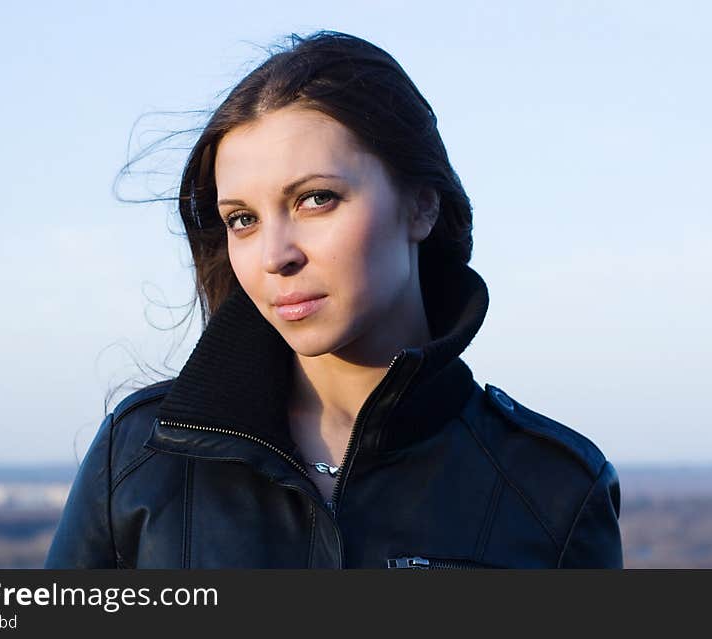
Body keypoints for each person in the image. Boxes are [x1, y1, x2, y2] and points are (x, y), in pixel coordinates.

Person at [45, 30, 623, 569]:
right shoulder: (141, 457)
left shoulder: (555, 491)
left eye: (316, 199)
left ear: (421, 206)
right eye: (242, 219)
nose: (275, 254)